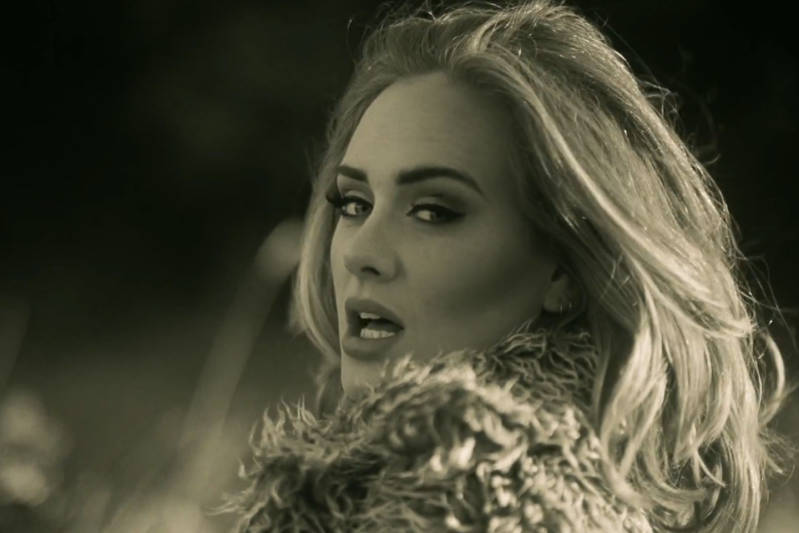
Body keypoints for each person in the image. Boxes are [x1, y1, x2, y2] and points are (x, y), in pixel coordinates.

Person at [225, 1, 791, 531]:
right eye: (354, 204)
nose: (360, 253)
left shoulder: (487, 507)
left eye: (433, 211)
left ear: (566, 265)